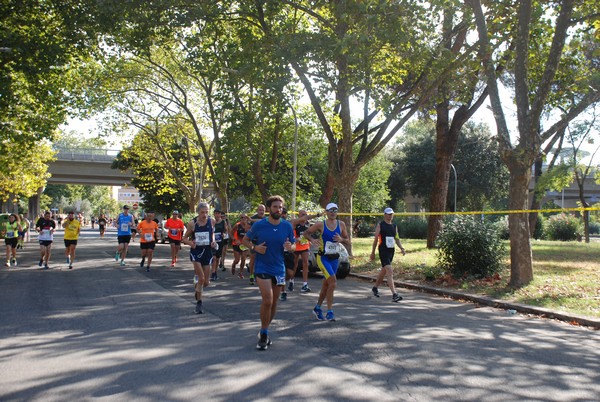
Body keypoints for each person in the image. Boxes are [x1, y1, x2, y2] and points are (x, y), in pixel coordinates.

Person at [242, 195, 295, 350]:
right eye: (275, 207)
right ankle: (264, 334)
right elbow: (245, 240)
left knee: (274, 302)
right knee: (267, 300)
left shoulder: (287, 226)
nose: (278, 209)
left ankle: (264, 329)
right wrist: (255, 248)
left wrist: (289, 247)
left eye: (280, 207)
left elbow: (294, 246)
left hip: (279, 268)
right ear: (269, 209)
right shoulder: (259, 225)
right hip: (262, 267)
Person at [302, 202, 350, 322]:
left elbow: (348, 241)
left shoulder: (342, 224)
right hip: (323, 258)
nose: (333, 212)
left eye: (335, 210)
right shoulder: (321, 224)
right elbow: (306, 233)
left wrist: (341, 239)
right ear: (327, 212)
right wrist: (312, 240)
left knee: (327, 285)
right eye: (331, 210)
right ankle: (329, 312)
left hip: (334, 258)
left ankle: (318, 307)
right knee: (333, 282)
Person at [183, 202, 216, 314]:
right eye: (202, 212)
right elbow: (184, 238)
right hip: (196, 252)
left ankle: (197, 289)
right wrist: (191, 243)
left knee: (206, 282)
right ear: (198, 212)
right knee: (201, 278)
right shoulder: (193, 223)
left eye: (207, 212)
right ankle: (199, 303)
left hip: (207, 251)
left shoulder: (211, 221)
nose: (205, 215)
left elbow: (212, 233)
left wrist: (213, 241)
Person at [370, 208, 405, 302]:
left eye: (391, 214)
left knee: (384, 271)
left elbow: (397, 238)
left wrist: (401, 248)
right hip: (383, 250)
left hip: (391, 251)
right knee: (389, 271)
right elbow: (376, 239)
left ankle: (375, 287)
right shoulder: (380, 225)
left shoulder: (394, 226)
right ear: (384, 215)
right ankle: (394, 294)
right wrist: (372, 252)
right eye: (388, 214)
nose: (390, 216)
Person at [290, 209, 322, 294]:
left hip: (305, 246)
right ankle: (291, 281)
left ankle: (305, 284)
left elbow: (311, 234)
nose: (305, 216)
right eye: (302, 214)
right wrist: (297, 239)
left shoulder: (308, 224)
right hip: (296, 247)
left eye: (306, 214)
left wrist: (312, 240)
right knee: (295, 264)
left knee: (306, 264)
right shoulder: (295, 223)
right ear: (299, 215)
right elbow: (292, 237)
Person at [247, 204, 266, 285]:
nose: (261, 212)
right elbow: (247, 229)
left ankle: (261, 275)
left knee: (263, 260)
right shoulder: (252, 218)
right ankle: (251, 275)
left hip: (263, 242)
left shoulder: (267, 219)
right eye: (260, 210)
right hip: (254, 242)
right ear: (257, 210)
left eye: (263, 210)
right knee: (253, 260)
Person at [210, 209, 228, 280]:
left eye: (218, 213)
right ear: (214, 214)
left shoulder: (223, 222)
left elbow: (226, 230)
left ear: (220, 214)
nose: (217, 215)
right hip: (213, 242)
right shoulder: (212, 221)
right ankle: (213, 273)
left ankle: (215, 273)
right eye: (215, 213)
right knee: (213, 257)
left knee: (217, 258)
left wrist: (224, 234)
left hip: (220, 241)